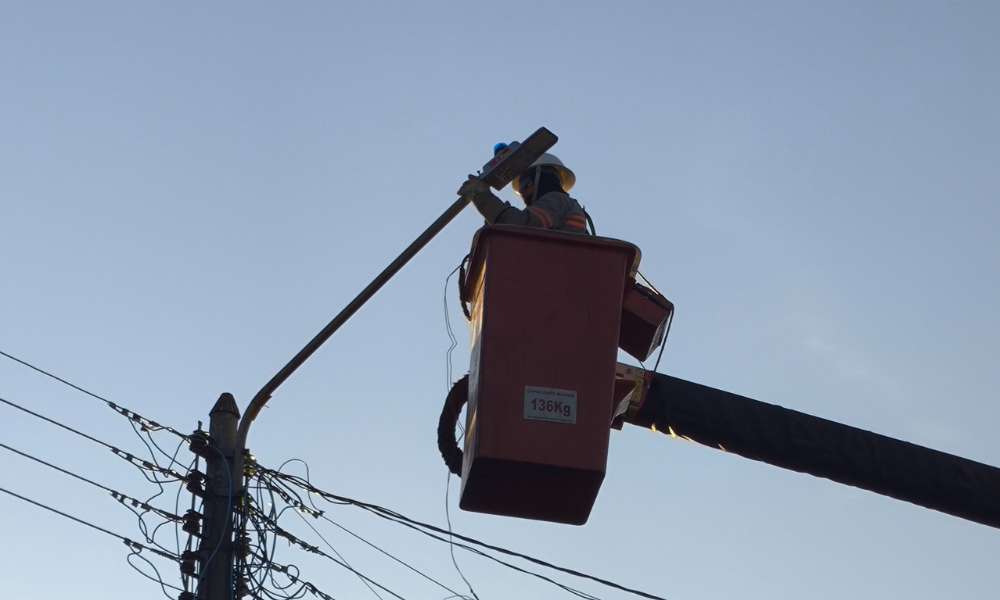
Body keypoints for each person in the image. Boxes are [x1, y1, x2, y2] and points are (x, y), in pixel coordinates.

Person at [457, 154, 590, 234]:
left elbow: (521, 225)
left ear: (544, 179)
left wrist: (481, 196)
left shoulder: (557, 200)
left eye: (526, 183)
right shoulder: (559, 208)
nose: (522, 192)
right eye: (520, 188)